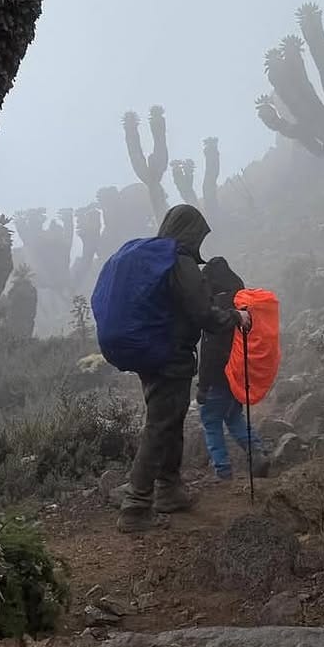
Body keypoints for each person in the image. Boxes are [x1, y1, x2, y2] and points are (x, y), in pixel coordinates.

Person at [119, 205, 250, 534]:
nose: (199, 244)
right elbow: (203, 314)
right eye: (199, 236)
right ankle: (135, 505)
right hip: (169, 355)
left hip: (149, 351)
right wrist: (235, 317)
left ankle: (169, 490)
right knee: (160, 424)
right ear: (191, 233)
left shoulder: (156, 260)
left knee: (170, 419)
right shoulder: (179, 261)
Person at [196, 257, 268, 481]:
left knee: (211, 421)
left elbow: (209, 352)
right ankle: (257, 453)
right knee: (233, 416)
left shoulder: (215, 310)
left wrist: (203, 385)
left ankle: (223, 471)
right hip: (238, 375)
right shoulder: (242, 305)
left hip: (218, 378)